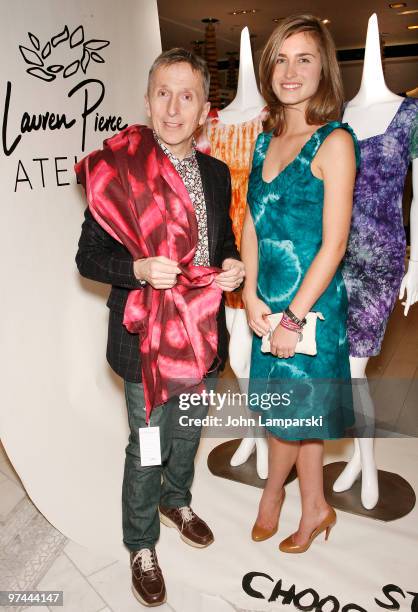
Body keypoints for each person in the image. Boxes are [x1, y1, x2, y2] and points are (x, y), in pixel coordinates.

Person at [75, 48, 244, 607]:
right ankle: (141, 542)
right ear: (147, 102)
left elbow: (222, 245)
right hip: (141, 337)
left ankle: (178, 499)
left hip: (200, 333)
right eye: (163, 94)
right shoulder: (118, 173)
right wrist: (139, 270)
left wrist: (231, 266)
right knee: (148, 444)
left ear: (203, 112)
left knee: (188, 431)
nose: (174, 107)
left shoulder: (216, 175)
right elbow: (89, 258)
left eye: (187, 96)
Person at [241, 15, 359, 554]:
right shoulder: (266, 140)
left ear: (323, 69)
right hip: (266, 304)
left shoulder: (334, 142)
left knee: (294, 412)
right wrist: (247, 294)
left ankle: (275, 495)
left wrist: (291, 317)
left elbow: (335, 245)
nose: (290, 71)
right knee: (287, 409)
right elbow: (252, 222)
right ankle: (315, 506)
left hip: (309, 310)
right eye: (280, 59)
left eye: (304, 58)